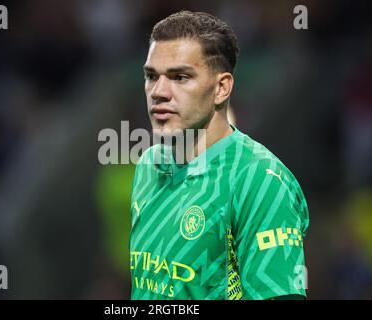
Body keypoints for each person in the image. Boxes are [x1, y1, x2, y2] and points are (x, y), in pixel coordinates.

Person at [129, 10, 309, 300]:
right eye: (151, 76)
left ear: (221, 88)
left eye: (180, 77)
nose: (158, 92)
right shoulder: (149, 166)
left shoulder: (260, 180)